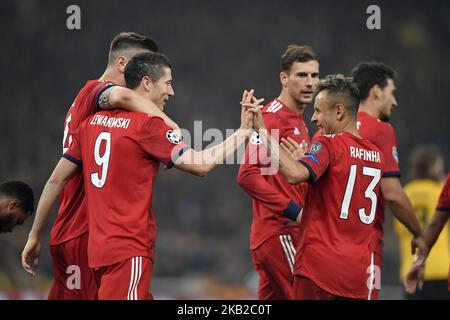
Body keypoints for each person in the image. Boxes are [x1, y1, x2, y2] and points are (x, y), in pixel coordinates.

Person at [23, 51, 258, 299]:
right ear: (147, 82)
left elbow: (55, 180)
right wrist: (242, 132)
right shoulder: (148, 126)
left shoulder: (90, 123)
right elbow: (200, 165)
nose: (172, 92)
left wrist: (34, 235)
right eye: (167, 83)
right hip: (129, 250)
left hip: (97, 253)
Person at [21, 32, 178, 300]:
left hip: (66, 233)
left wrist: (35, 234)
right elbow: (122, 97)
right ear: (120, 63)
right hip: (88, 231)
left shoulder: (88, 111)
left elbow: (55, 180)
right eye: (138, 63)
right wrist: (168, 123)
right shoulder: (95, 91)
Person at [247, 74, 427, 300]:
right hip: (357, 275)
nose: (313, 118)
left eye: (319, 110)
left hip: (319, 270)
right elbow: (337, 187)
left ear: (339, 111)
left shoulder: (328, 144)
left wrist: (262, 131)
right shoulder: (376, 156)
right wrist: (306, 160)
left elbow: (294, 175)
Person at [237, 45, 319, 300]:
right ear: (284, 78)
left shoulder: (297, 121)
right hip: (281, 232)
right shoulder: (273, 118)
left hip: (280, 234)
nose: (309, 83)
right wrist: (296, 213)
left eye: (314, 76)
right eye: (301, 75)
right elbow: (247, 175)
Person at [395, 145, 449, 299]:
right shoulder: (440, 190)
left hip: (411, 269)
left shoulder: (404, 193)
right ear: (434, 168)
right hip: (441, 268)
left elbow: (400, 230)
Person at [404, 172, 450, 296]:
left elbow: (436, 223)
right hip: (441, 267)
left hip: (415, 264)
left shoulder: (406, 192)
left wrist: (420, 260)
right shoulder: (437, 188)